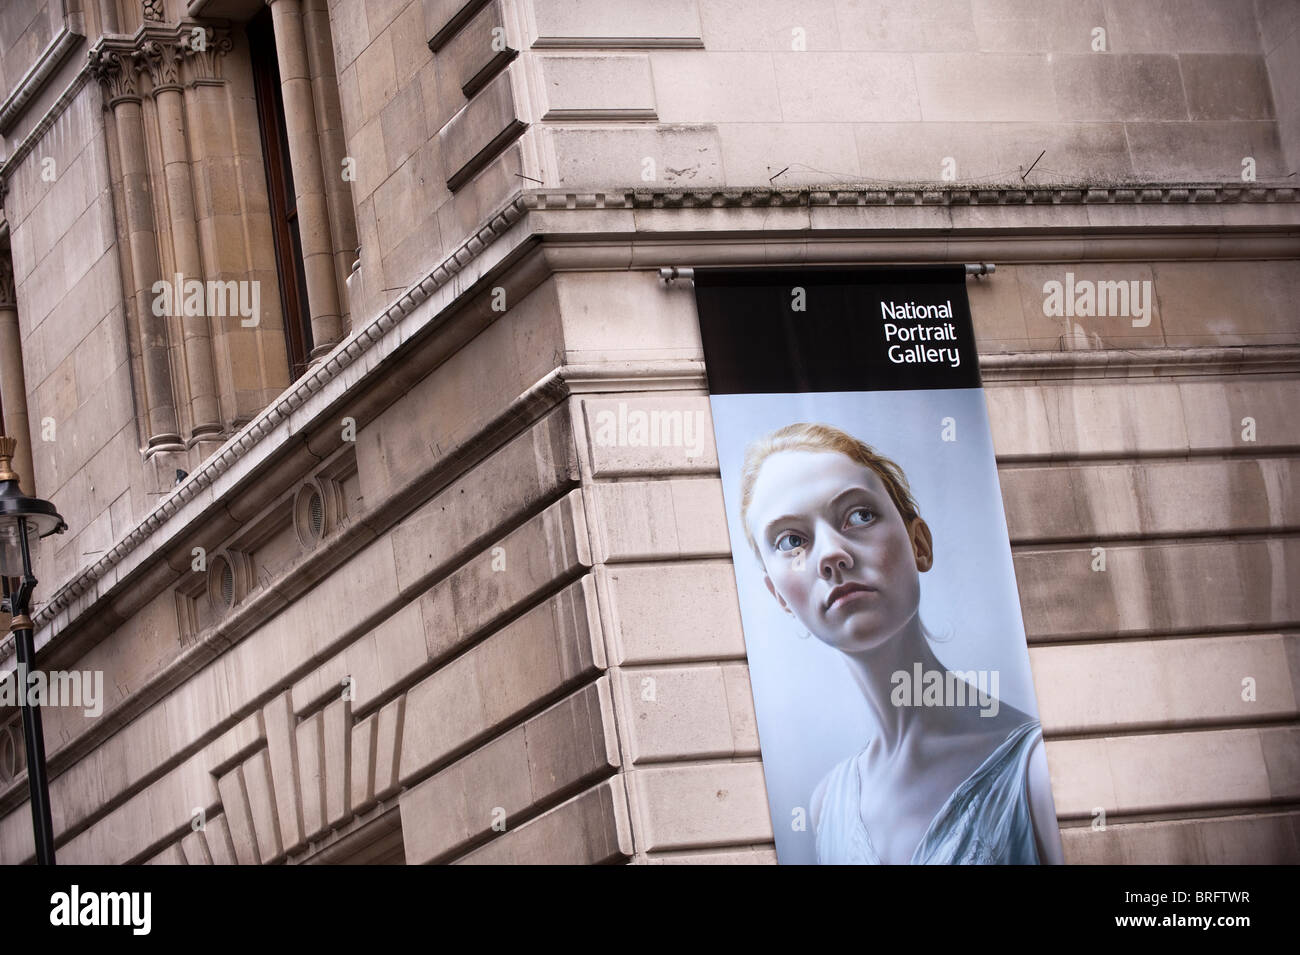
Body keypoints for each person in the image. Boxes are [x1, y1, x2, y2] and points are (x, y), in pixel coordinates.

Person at [739, 422, 1063, 864]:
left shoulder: (1038, 773)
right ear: (780, 598)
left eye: (859, 515)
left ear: (919, 545)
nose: (832, 554)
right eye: (792, 541)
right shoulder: (824, 807)